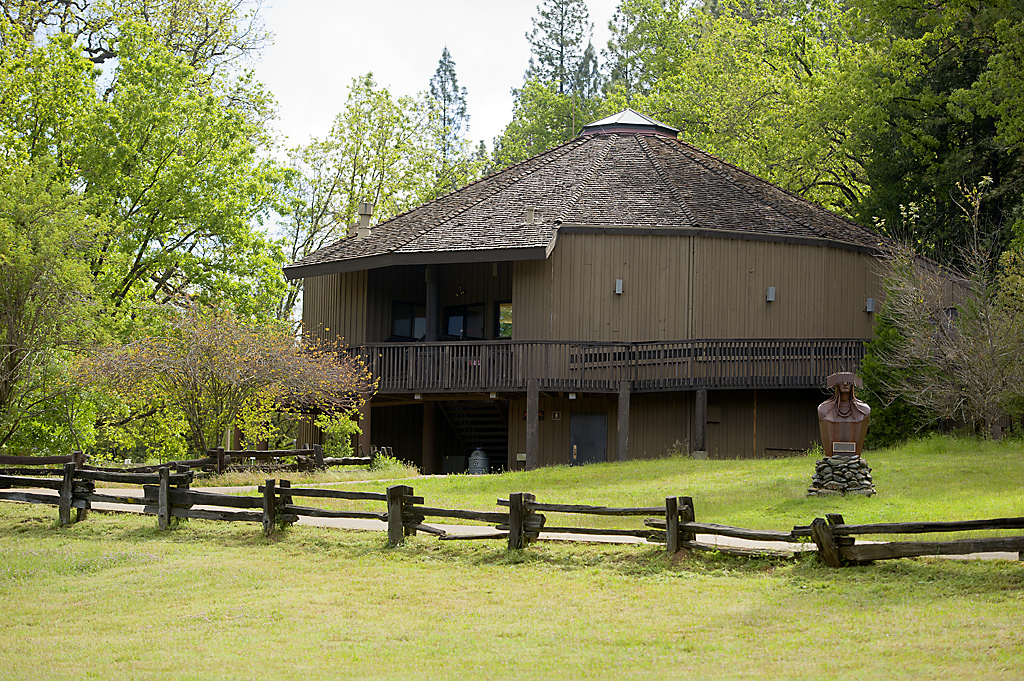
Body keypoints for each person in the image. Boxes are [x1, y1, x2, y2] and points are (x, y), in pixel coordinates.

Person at [817, 372, 870, 456]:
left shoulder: (864, 410)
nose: (845, 384)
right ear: (837, 385)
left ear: (852, 385)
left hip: (853, 460)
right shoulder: (824, 409)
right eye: (842, 382)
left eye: (848, 382)